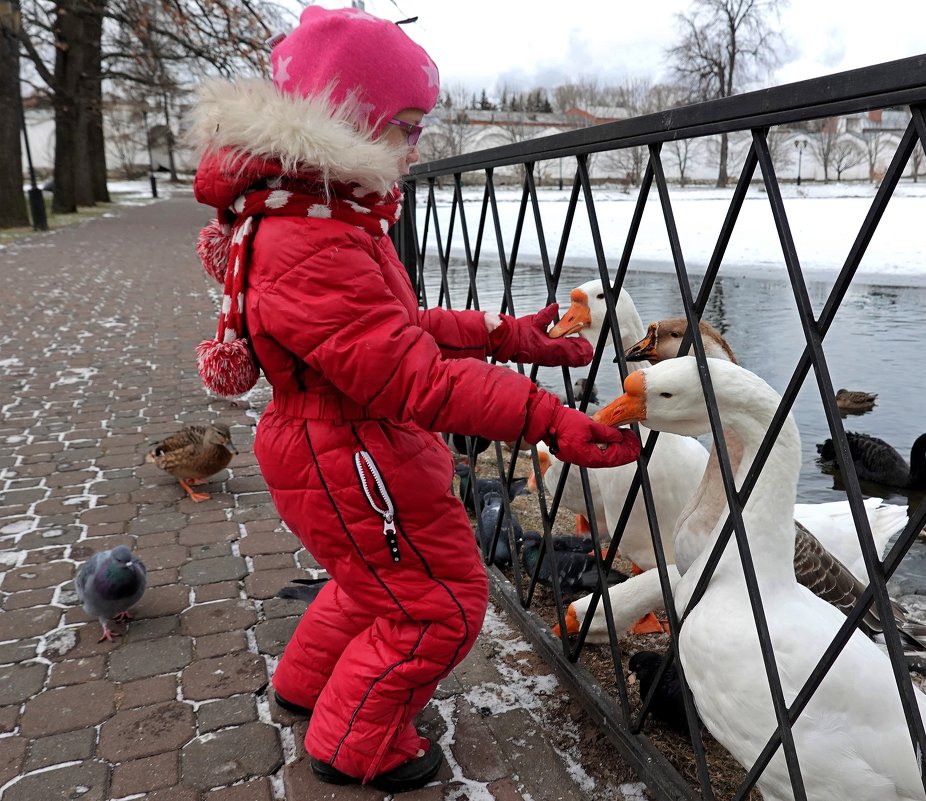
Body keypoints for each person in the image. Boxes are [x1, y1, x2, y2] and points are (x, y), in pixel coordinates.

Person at [188, 6, 640, 793]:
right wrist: (547, 418)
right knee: (440, 605)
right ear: (349, 119)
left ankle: (306, 685)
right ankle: (353, 741)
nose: (416, 143)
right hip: (352, 450)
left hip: (337, 441)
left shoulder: (313, 215)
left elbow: (392, 329)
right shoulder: (317, 238)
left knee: (377, 586)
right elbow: (416, 377)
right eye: (404, 123)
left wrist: (507, 333)